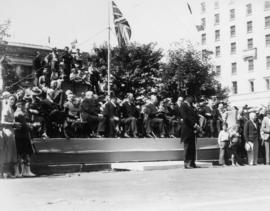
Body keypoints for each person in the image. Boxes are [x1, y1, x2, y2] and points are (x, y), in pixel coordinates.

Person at [14, 100, 35, 177]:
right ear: (20, 105)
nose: (26, 107)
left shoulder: (18, 113)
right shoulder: (20, 114)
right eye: (25, 105)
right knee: (23, 154)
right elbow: (24, 126)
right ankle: (22, 172)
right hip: (22, 136)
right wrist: (31, 127)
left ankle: (24, 171)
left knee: (23, 154)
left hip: (21, 136)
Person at [1, 95, 20, 178]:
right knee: (7, 152)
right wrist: (14, 124)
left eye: (14, 100)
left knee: (11, 153)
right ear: (7, 99)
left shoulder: (11, 108)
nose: (12, 101)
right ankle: (5, 172)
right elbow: (2, 122)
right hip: (7, 131)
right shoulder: (6, 108)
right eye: (11, 99)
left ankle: (7, 172)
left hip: (11, 131)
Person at [179, 96, 200, 169]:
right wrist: (194, 124)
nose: (192, 101)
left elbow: (195, 116)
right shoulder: (183, 106)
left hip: (192, 129)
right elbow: (185, 118)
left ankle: (192, 163)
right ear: (187, 99)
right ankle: (187, 163)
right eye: (191, 99)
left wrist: (197, 124)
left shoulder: (191, 106)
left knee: (192, 147)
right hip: (187, 129)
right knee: (187, 147)